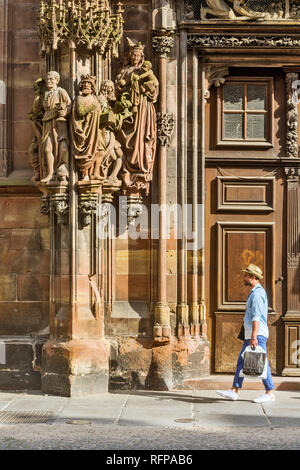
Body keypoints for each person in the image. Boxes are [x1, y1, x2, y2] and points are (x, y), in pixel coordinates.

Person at [216, 264, 275, 403]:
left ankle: (269, 392)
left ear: (252, 277)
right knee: (242, 361)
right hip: (252, 335)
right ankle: (234, 390)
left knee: (261, 362)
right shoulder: (255, 292)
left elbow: (256, 317)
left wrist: (254, 336)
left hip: (257, 335)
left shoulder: (257, 294)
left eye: (246, 276)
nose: (244, 278)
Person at [41, 71, 72, 183]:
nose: (49, 81)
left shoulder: (60, 91)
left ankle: (61, 169)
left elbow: (69, 105)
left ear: (57, 80)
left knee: (59, 147)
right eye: (47, 79)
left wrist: (64, 112)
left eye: (51, 79)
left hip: (58, 124)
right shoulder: (45, 94)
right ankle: (50, 173)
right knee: (47, 149)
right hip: (47, 123)